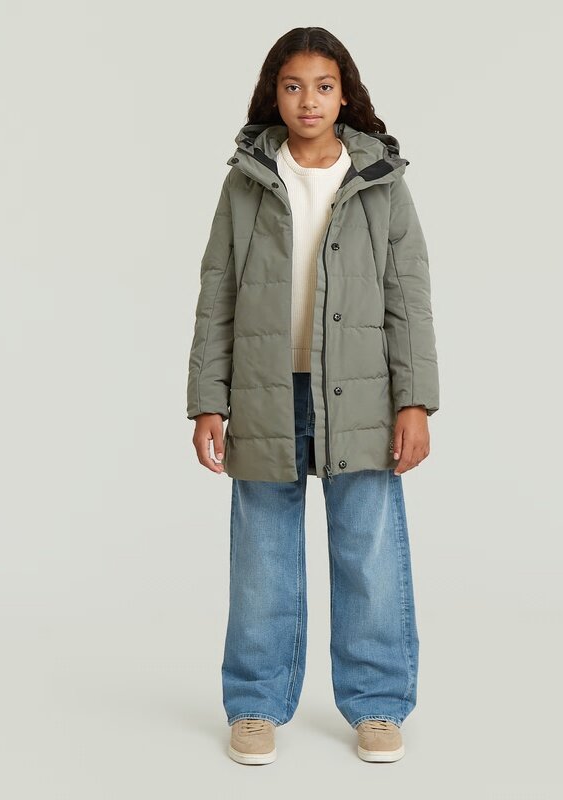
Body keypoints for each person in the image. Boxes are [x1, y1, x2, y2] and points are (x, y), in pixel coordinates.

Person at [187, 26, 440, 765]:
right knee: (262, 555)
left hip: (363, 394)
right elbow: (216, 294)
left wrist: (415, 400)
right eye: (293, 86)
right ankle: (255, 704)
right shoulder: (245, 181)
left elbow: (408, 298)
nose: (308, 101)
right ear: (274, 93)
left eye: (323, 87)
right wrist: (208, 399)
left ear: (344, 94)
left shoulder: (380, 181)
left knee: (368, 551)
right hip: (266, 392)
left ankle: (378, 703)